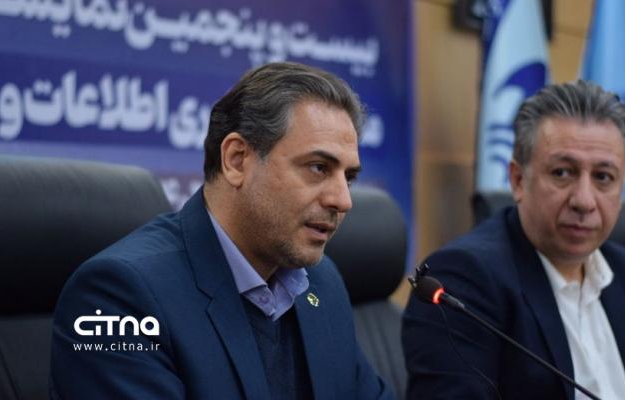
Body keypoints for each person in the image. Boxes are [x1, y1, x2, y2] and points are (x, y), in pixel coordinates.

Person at [50, 62, 392, 399]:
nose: (343, 200)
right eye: (318, 167)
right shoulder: (117, 298)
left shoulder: (321, 283)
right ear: (237, 160)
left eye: (349, 177)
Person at [402, 80, 625, 399]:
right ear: (518, 180)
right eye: (563, 172)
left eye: (603, 177)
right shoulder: (463, 281)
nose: (584, 200)